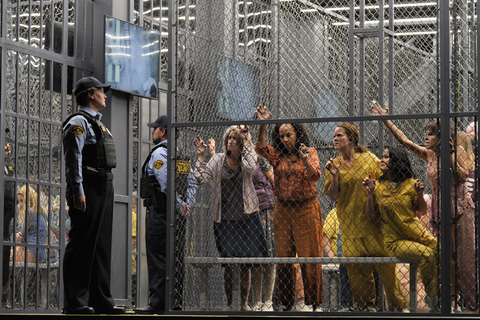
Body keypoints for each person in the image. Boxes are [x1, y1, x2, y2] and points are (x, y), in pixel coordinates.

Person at [370, 102, 478, 313]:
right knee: (444, 260)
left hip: (461, 210)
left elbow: (463, 175)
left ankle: (473, 305)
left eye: (431, 134)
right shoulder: (429, 155)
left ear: (442, 136)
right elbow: (404, 140)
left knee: (465, 261)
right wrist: (385, 120)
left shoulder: (458, 151)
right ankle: (450, 302)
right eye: (426, 133)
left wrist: (451, 152)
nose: (427, 137)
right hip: (439, 213)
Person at [323, 122, 407, 312]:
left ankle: (398, 307)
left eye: (339, 135)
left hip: (373, 224)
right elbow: (333, 196)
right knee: (357, 273)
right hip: (349, 226)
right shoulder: (334, 164)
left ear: (351, 139)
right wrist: (335, 176)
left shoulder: (369, 159)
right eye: (334, 136)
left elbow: (385, 181)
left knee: (386, 269)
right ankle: (365, 308)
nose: (335, 139)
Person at [62, 76, 124, 314]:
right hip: (88, 186)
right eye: (101, 91)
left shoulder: (98, 123)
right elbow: (73, 158)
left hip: (103, 184)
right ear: (90, 94)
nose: (105, 95)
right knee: (82, 242)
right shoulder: (78, 122)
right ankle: (75, 302)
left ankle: (101, 300)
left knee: (101, 244)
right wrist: (78, 190)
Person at [255, 105, 324, 312]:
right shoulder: (278, 156)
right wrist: (263, 124)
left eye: (288, 135)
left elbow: (315, 176)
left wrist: (305, 160)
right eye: (282, 135)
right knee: (283, 256)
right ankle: (286, 303)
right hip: (283, 209)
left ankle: (314, 303)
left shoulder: (309, 152)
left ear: (298, 133)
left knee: (309, 256)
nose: (285, 139)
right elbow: (260, 147)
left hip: (306, 208)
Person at [194, 125, 269, 311]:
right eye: (229, 138)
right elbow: (200, 179)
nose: (231, 141)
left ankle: (243, 304)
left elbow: (252, 165)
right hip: (225, 219)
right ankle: (230, 304)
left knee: (246, 263)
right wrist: (201, 156)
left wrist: (247, 141)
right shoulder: (218, 159)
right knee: (228, 263)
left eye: (235, 138)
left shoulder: (245, 159)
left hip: (247, 218)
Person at [362, 146, 439, 312]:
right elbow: (370, 215)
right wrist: (370, 194)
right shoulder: (379, 186)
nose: (382, 160)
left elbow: (422, 211)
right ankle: (433, 298)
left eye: (387, 157)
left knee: (440, 249)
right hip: (395, 240)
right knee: (427, 254)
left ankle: (448, 294)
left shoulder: (410, 184)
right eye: (382, 156)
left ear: (397, 161)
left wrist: (419, 195)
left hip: (415, 234)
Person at [135, 115, 197, 314]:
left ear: (162, 131)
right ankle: (175, 302)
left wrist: (179, 205)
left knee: (158, 256)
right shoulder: (182, 156)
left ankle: (158, 303)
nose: (152, 132)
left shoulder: (160, 154)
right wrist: (188, 204)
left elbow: (165, 184)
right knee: (176, 256)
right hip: (179, 217)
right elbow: (192, 182)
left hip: (161, 213)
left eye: (155, 129)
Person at [208, 142, 276, 312]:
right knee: (243, 262)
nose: (234, 142)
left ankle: (266, 301)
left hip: (263, 211)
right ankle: (254, 301)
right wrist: (211, 154)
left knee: (265, 257)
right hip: (241, 213)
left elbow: (275, 181)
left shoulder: (257, 160)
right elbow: (217, 180)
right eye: (231, 138)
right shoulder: (228, 162)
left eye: (240, 140)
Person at [323, 208, 355, 311]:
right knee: (344, 265)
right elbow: (325, 237)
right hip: (339, 257)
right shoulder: (334, 213)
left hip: (357, 255)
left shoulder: (359, 211)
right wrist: (332, 257)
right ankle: (347, 303)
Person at [2, 143, 15, 307]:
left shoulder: (9, 163)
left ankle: (3, 295)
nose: (8, 147)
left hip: (8, 208)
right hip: (5, 205)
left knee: (5, 251)